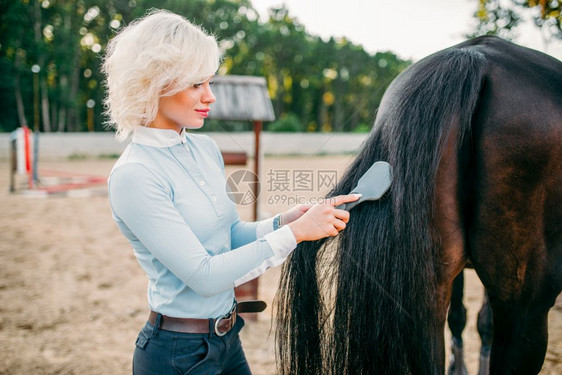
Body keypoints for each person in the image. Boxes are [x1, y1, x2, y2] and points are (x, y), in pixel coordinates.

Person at [103, 9, 360, 375]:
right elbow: (205, 276)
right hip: (178, 355)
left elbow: (230, 235)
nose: (210, 96)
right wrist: (295, 234)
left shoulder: (205, 148)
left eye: (210, 82)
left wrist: (283, 221)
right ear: (154, 83)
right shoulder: (134, 175)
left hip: (227, 340)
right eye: (196, 84)